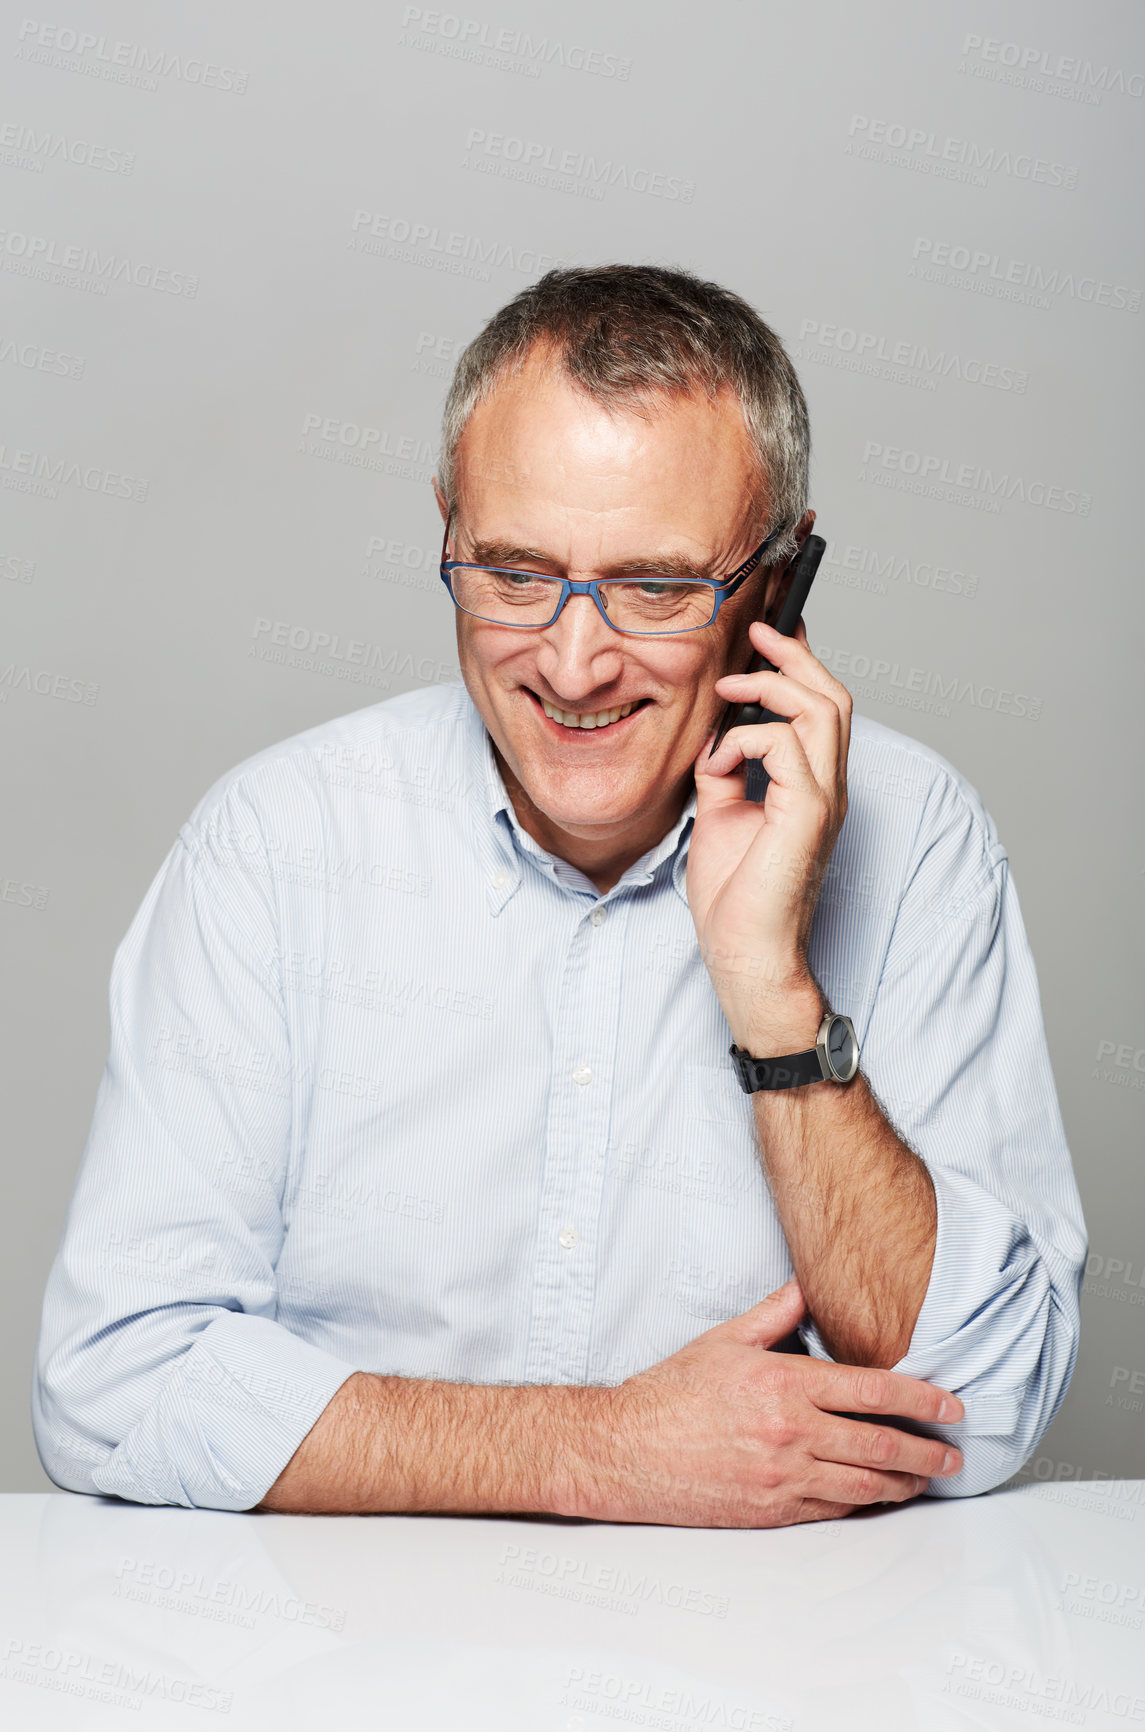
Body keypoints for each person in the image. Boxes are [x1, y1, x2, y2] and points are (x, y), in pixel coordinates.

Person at [32, 265, 1087, 1527]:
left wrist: (771, 993)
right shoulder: (272, 846)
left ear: (780, 580)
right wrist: (593, 1452)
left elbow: (985, 1406)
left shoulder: (916, 847)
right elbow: (114, 1385)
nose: (574, 663)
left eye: (655, 587)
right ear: (446, 533)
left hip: (787, 1682)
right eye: (516, 573)